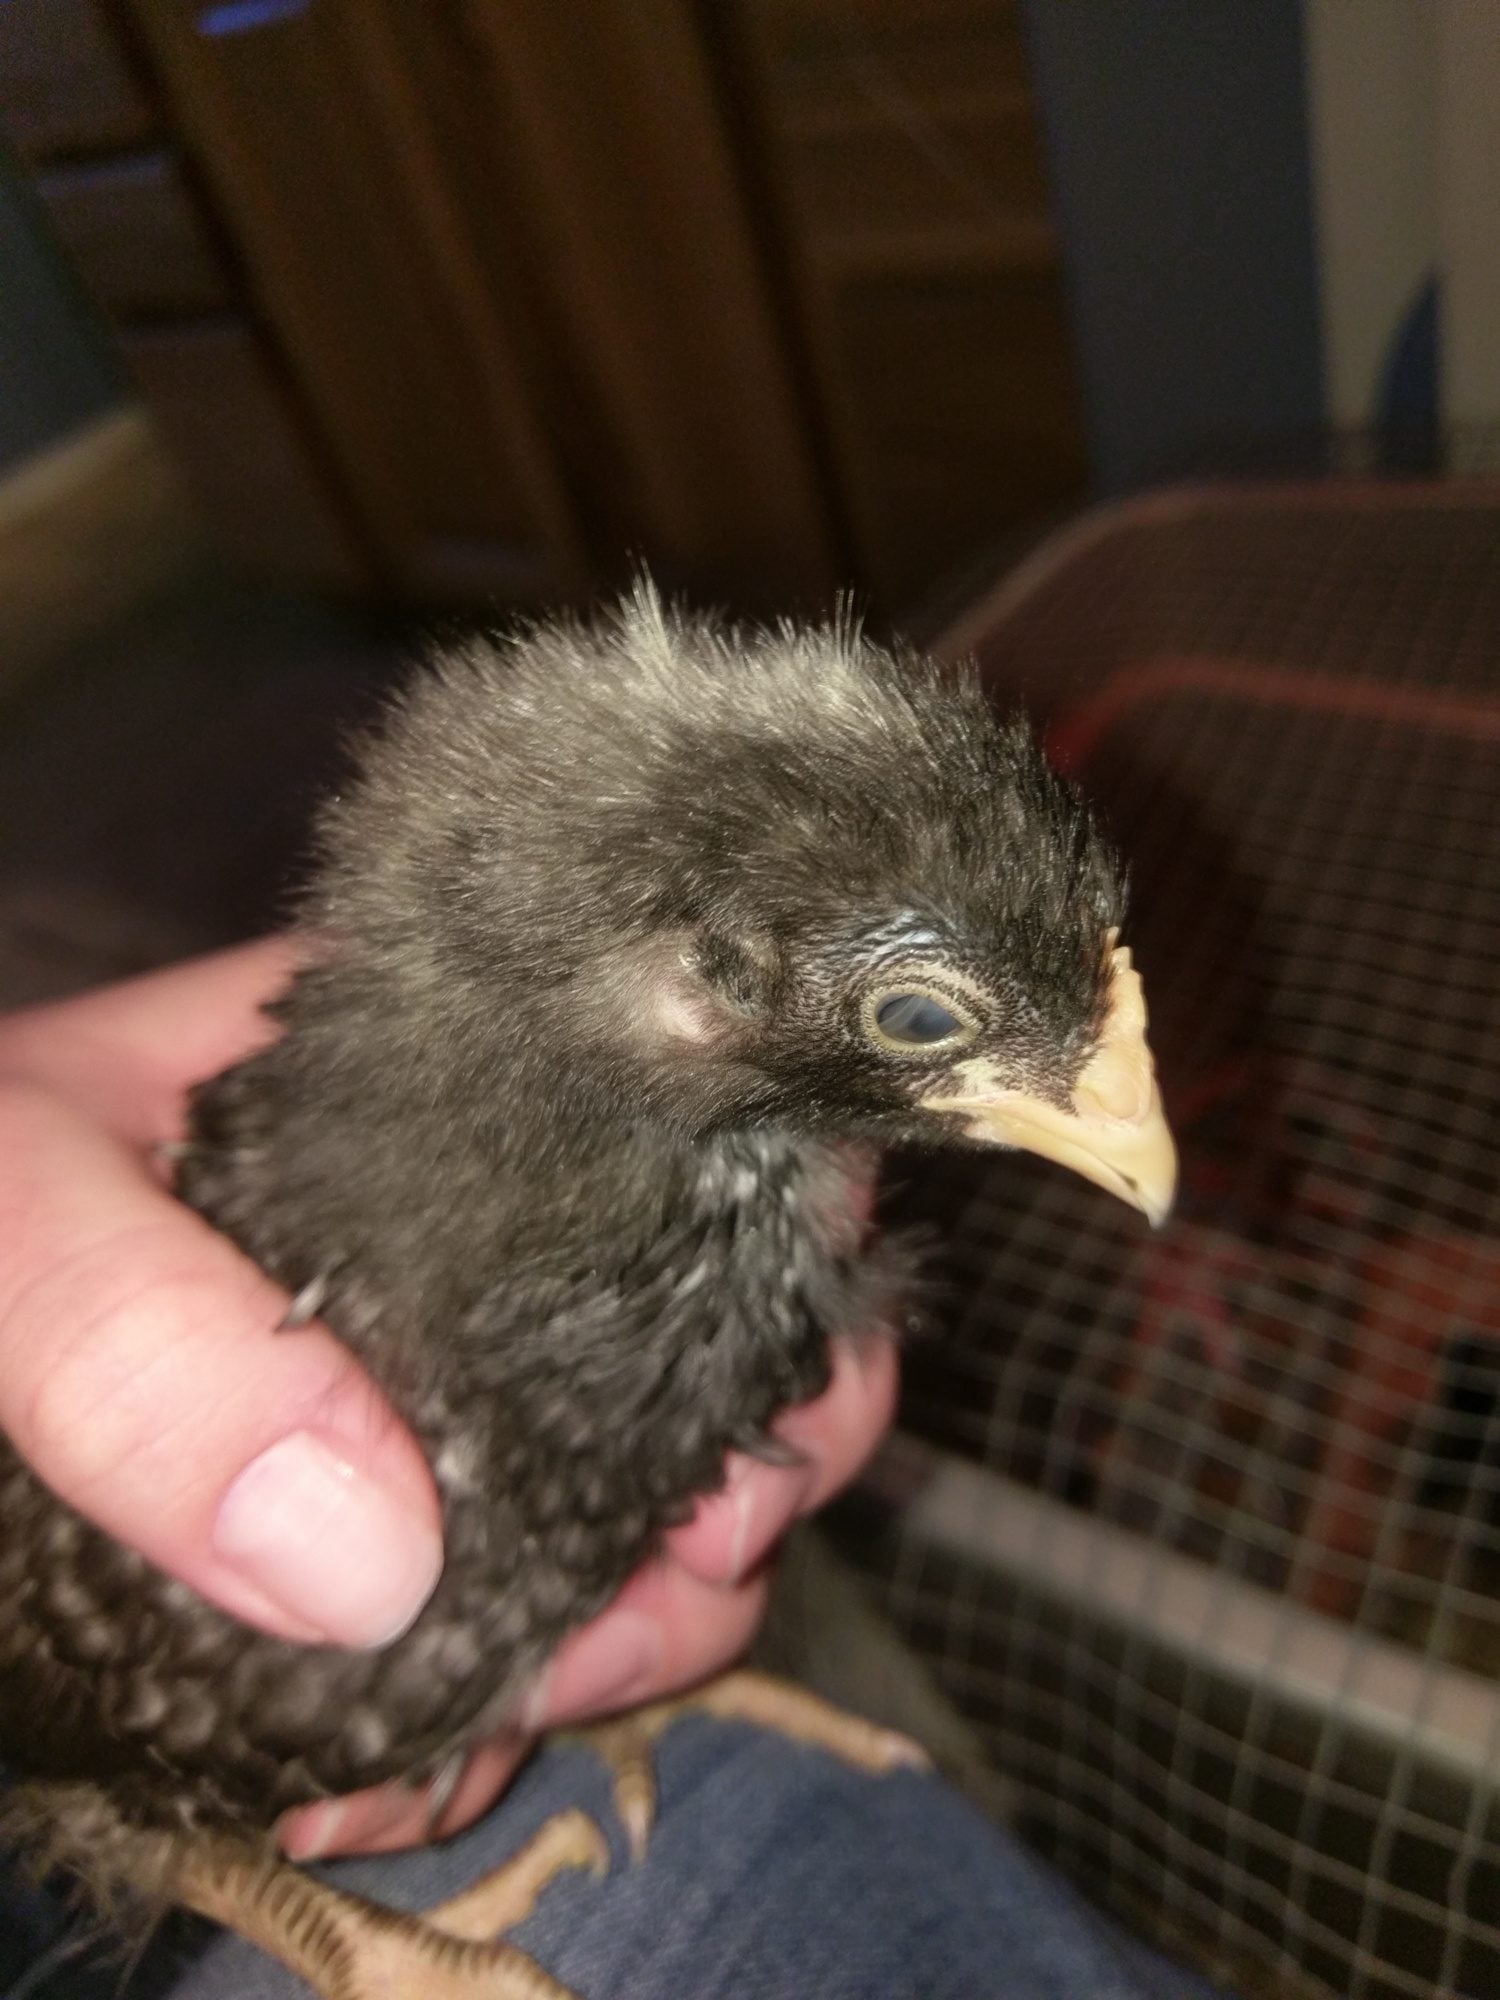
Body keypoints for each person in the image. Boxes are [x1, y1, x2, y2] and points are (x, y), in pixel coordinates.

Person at [0, 945, 1229, 1998]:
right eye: (919, 1014)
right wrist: (346, 1945)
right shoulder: (373, 1305)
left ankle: (599, 1696)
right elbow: (99, 1792)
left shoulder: (693, 1178)